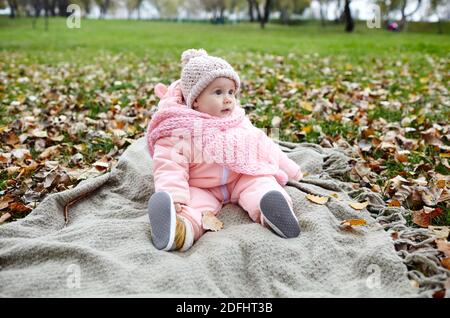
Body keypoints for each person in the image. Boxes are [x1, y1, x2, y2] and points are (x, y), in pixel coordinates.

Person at [146, 49, 303, 252]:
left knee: (261, 183)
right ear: (195, 100)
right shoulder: (178, 128)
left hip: (240, 176)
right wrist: (174, 194)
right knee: (193, 209)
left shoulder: (236, 120)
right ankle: (178, 230)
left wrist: (291, 170)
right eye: (218, 92)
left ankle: (272, 210)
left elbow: (263, 145)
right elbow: (168, 165)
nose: (228, 99)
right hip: (202, 186)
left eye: (231, 92)